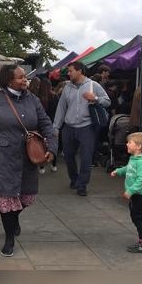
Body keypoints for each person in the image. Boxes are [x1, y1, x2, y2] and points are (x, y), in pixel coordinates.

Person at [0, 65, 57, 257]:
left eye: (25, 77)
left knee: (27, 197)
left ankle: (14, 218)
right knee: (6, 198)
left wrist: (51, 147)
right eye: (20, 77)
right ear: (8, 80)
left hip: (28, 157)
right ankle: (9, 238)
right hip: (1, 158)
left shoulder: (32, 99)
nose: (25, 80)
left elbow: (46, 123)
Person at [53, 62, 110, 196]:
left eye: (71, 71)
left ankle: (82, 185)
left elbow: (107, 101)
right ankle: (74, 179)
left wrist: (95, 98)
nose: (68, 73)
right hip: (69, 127)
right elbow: (61, 108)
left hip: (87, 127)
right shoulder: (67, 87)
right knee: (68, 155)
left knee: (86, 157)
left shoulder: (93, 85)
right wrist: (55, 127)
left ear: (79, 71)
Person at [110, 132, 142, 253]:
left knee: (137, 217)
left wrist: (130, 191)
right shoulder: (134, 159)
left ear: (138, 146)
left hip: (139, 195)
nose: (127, 144)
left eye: (129, 142)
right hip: (136, 195)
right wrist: (118, 171)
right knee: (136, 216)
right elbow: (128, 168)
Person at [38, 78, 59, 173]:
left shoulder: (36, 97)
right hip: (52, 122)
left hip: (39, 124)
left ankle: (42, 166)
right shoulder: (54, 97)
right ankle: (54, 165)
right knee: (52, 143)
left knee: (41, 145)